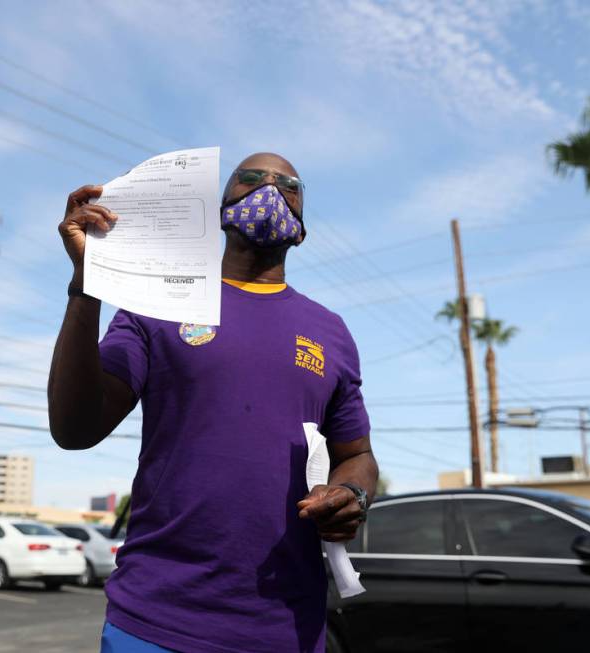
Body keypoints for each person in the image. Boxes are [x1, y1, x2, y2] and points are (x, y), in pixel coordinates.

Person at [49, 152, 379, 653]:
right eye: (251, 178)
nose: (270, 187)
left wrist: (352, 495)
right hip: (156, 619)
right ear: (222, 209)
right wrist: (88, 284)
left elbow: (356, 455)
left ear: (303, 229)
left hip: (286, 627)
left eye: (289, 185)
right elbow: (75, 429)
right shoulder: (156, 302)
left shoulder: (329, 331)